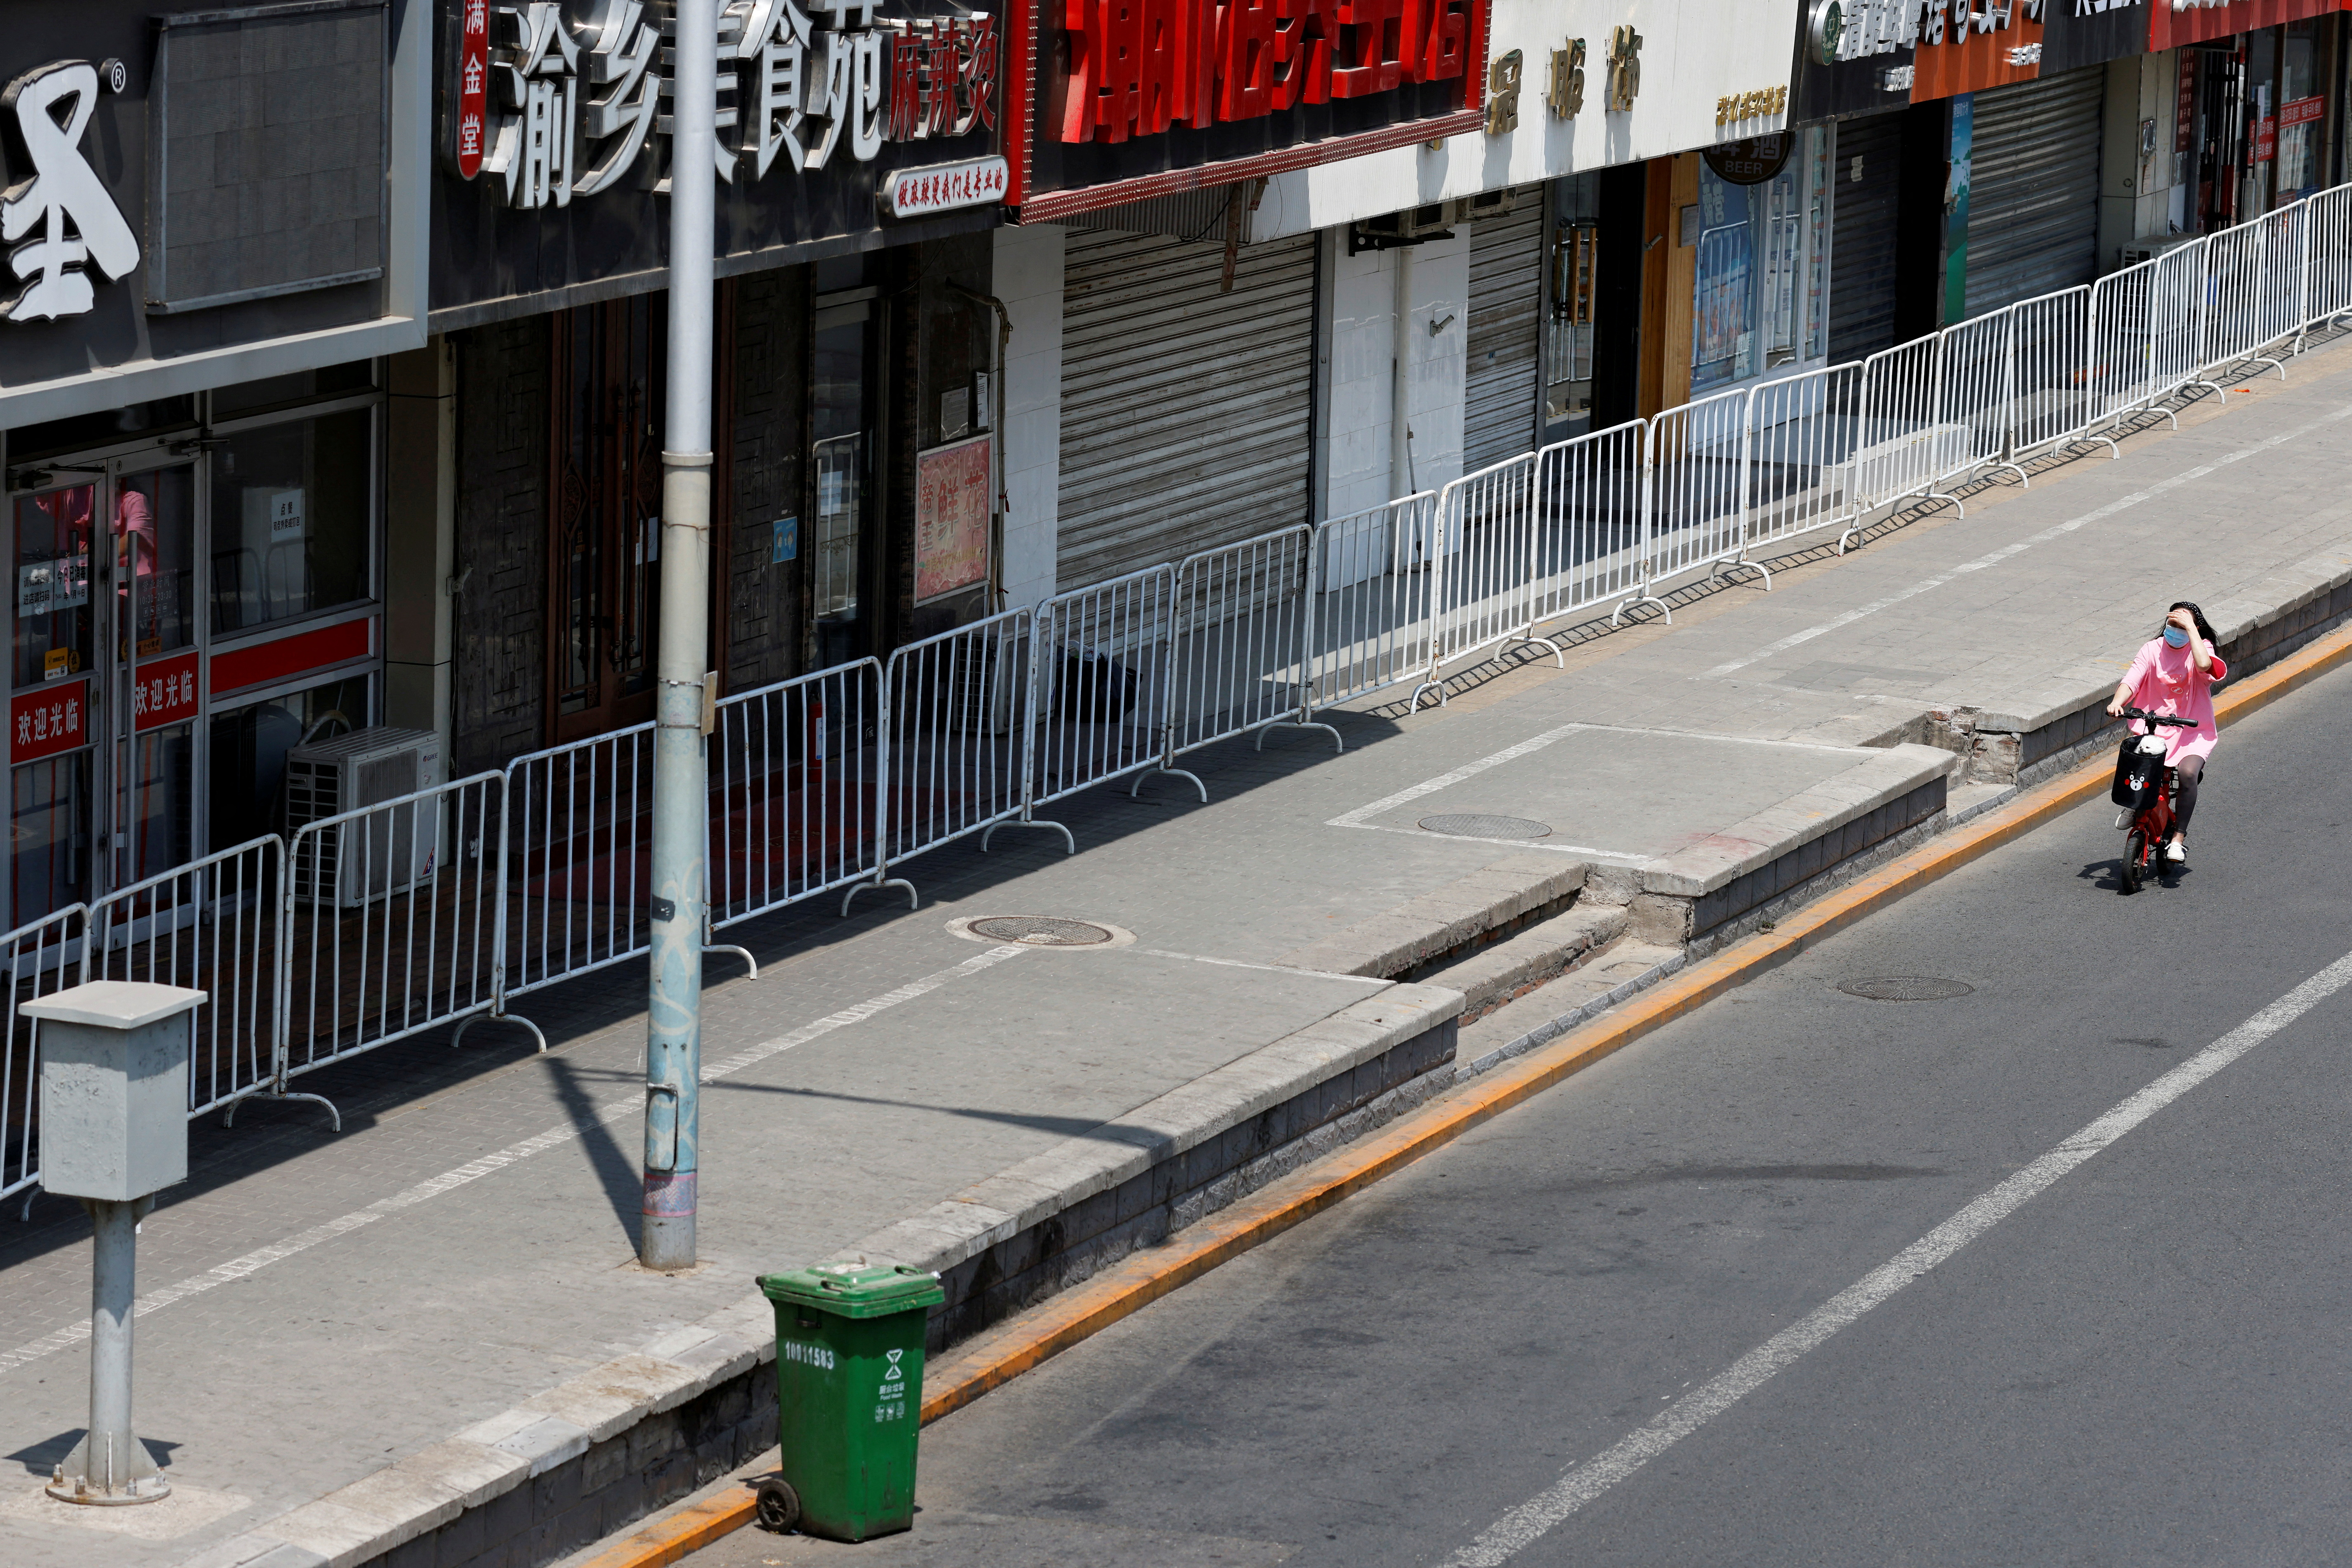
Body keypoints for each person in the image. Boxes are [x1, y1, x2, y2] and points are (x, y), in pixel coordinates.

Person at [2105, 601, 2225, 863]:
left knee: (2187, 773)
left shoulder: (2201, 649)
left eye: (2182, 626)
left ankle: (2178, 838)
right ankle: (2135, 805)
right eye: (2173, 624)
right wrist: (2118, 702)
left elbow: (2206, 666)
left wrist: (2193, 630)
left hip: (2193, 731)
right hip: (2156, 727)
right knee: (2136, 762)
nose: (2176, 630)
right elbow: (2132, 679)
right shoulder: (2152, 649)